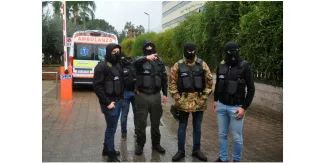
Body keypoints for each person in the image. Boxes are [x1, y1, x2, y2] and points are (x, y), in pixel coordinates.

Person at [169, 43, 213, 162]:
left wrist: (203, 97)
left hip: (199, 102)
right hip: (183, 102)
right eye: (189, 50)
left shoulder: (202, 64)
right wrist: (178, 98)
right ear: (184, 51)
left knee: (197, 127)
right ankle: (180, 151)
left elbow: (209, 82)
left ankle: (196, 150)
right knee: (182, 127)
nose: (191, 52)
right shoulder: (178, 65)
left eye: (193, 50)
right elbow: (172, 82)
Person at [213, 42, 255, 162]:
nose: (232, 54)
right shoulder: (221, 65)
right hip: (221, 106)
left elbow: (251, 89)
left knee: (237, 137)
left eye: (235, 51)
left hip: (236, 108)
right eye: (230, 52)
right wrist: (215, 99)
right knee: (222, 135)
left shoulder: (244, 66)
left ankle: (236, 160)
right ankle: (223, 158)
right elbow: (218, 84)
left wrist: (244, 107)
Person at [132, 39, 168, 155]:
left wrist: (165, 94)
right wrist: (146, 58)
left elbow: (164, 78)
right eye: (147, 47)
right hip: (142, 95)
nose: (149, 49)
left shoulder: (159, 61)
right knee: (141, 122)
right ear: (143, 49)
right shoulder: (139, 61)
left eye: (151, 46)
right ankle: (140, 144)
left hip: (156, 95)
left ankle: (156, 144)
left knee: (156, 122)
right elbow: (133, 62)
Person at [93, 43, 124, 162]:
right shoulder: (101, 67)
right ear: (108, 52)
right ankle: (111, 155)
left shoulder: (118, 64)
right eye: (114, 52)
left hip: (118, 101)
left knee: (111, 127)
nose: (117, 54)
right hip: (110, 104)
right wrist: (107, 102)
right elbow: (97, 86)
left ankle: (106, 148)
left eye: (118, 51)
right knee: (111, 129)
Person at [119, 51, 137, 140]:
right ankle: (136, 132)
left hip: (126, 92)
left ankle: (124, 134)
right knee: (136, 114)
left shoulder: (119, 65)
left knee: (124, 114)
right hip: (134, 92)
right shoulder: (133, 63)